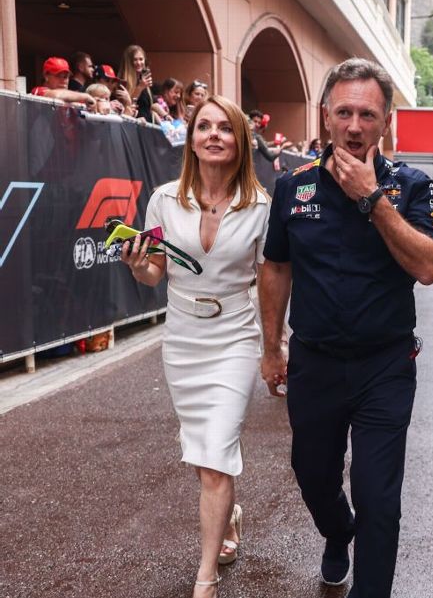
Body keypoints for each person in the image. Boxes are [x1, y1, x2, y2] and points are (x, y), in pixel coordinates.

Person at [258, 57, 433, 598]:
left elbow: (429, 267)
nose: (355, 126)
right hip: (314, 362)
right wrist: (272, 347)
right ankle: (337, 532)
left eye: (368, 114)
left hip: (384, 366)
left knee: (379, 497)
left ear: (386, 121)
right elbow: (275, 266)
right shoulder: (292, 187)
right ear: (325, 116)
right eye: (344, 112)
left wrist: (372, 199)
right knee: (314, 474)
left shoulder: (411, 185)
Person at [120, 94, 271, 597]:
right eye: (203, 126)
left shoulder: (260, 207)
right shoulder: (164, 199)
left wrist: (276, 346)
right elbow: (152, 275)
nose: (213, 135)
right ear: (191, 138)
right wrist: (137, 263)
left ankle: (204, 578)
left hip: (234, 339)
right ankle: (229, 517)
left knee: (216, 453)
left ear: (239, 141)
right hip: (183, 339)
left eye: (224, 128)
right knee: (205, 454)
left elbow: (271, 280)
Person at [29, 57, 95, 107]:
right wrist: (86, 96)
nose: (64, 80)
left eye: (66, 77)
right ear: (46, 76)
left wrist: (98, 102)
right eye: (59, 76)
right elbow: (56, 95)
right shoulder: (37, 91)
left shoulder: (72, 97)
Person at [119, 44, 155, 123]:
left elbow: (149, 107)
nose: (139, 63)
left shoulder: (143, 81)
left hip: (146, 126)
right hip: (132, 126)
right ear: (129, 62)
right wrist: (140, 88)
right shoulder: (122, 82)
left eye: (141, 59)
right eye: (135, 60)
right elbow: (126, 106)